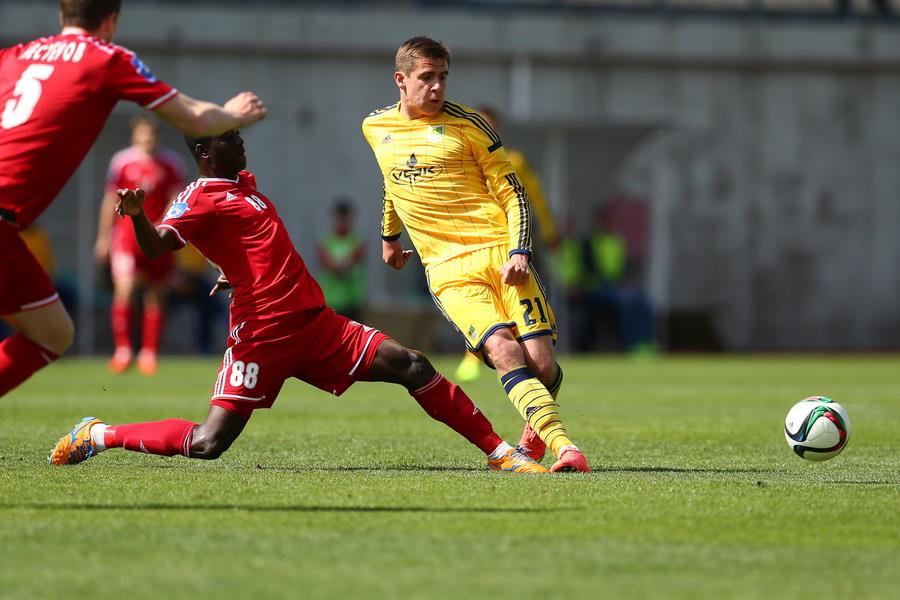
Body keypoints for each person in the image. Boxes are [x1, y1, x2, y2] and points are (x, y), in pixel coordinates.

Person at [49, 129, 546, 475]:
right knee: (208, 443)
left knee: (411, 364)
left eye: (239, 133)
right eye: (229, 138)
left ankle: (501, 453)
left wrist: (232, 269)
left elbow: (240, 241)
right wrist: (137, 215)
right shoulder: (198, 194)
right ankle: (99, 434)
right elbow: (159, 244)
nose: (241, 141)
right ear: (204, 151)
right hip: (262, 334)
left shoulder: (243, 186)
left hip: (314, 323)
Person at [0, 0, 266, 399]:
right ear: (112, 21)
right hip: (15, 223)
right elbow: (193, 117)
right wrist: (233, 115)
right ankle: (126, 350)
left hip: (20, 229)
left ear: (61, 15)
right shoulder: (107, 58)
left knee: (53, 331)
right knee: (52, 333)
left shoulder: (13, 56)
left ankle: (145, 352)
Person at [361, 36, 591, 473]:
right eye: (427, 77)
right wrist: (389, 236)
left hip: (500, 253)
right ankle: (566, 448)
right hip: (448, 268)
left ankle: (533, 439)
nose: (437, 87)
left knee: (543, 365)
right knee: (503, 349)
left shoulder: (470, 125)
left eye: (443, 77)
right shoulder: (375, 127)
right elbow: (392, 179)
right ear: (401, 80)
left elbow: (513, 193)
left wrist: (520, 251)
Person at [453, 105, 561, 383]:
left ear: (497, 128)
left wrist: (549, 231)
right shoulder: (460, 161)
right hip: (473, 244)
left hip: (512, 241)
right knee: (480, 302)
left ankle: (537, 339)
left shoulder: (513, 160)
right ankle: (473, 354)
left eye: (488, 124)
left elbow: (535, 197)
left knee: (519, 294)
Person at [94, 116, 185, 375]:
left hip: (158, 235)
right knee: (125, 288)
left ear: (158, 136)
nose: (148, 139)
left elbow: (176, 199)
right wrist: (103, 237)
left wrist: (164, 226)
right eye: (143, 134)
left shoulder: (171, 163)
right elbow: (110, 200)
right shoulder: (122, 162)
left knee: (156, 293)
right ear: (135, 136)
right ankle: (123, 351)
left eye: (152, 134)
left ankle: (149, 353)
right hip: (126, 237)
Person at [317, 199, 366, 322]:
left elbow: (356, 256)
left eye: (345, 218)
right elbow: (325, 260)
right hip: (331, 300)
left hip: (352, 300)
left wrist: (340, 264)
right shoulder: (327, 240)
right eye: (340, 218)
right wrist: (341, 265)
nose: (343, 222)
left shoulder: (357, 239)